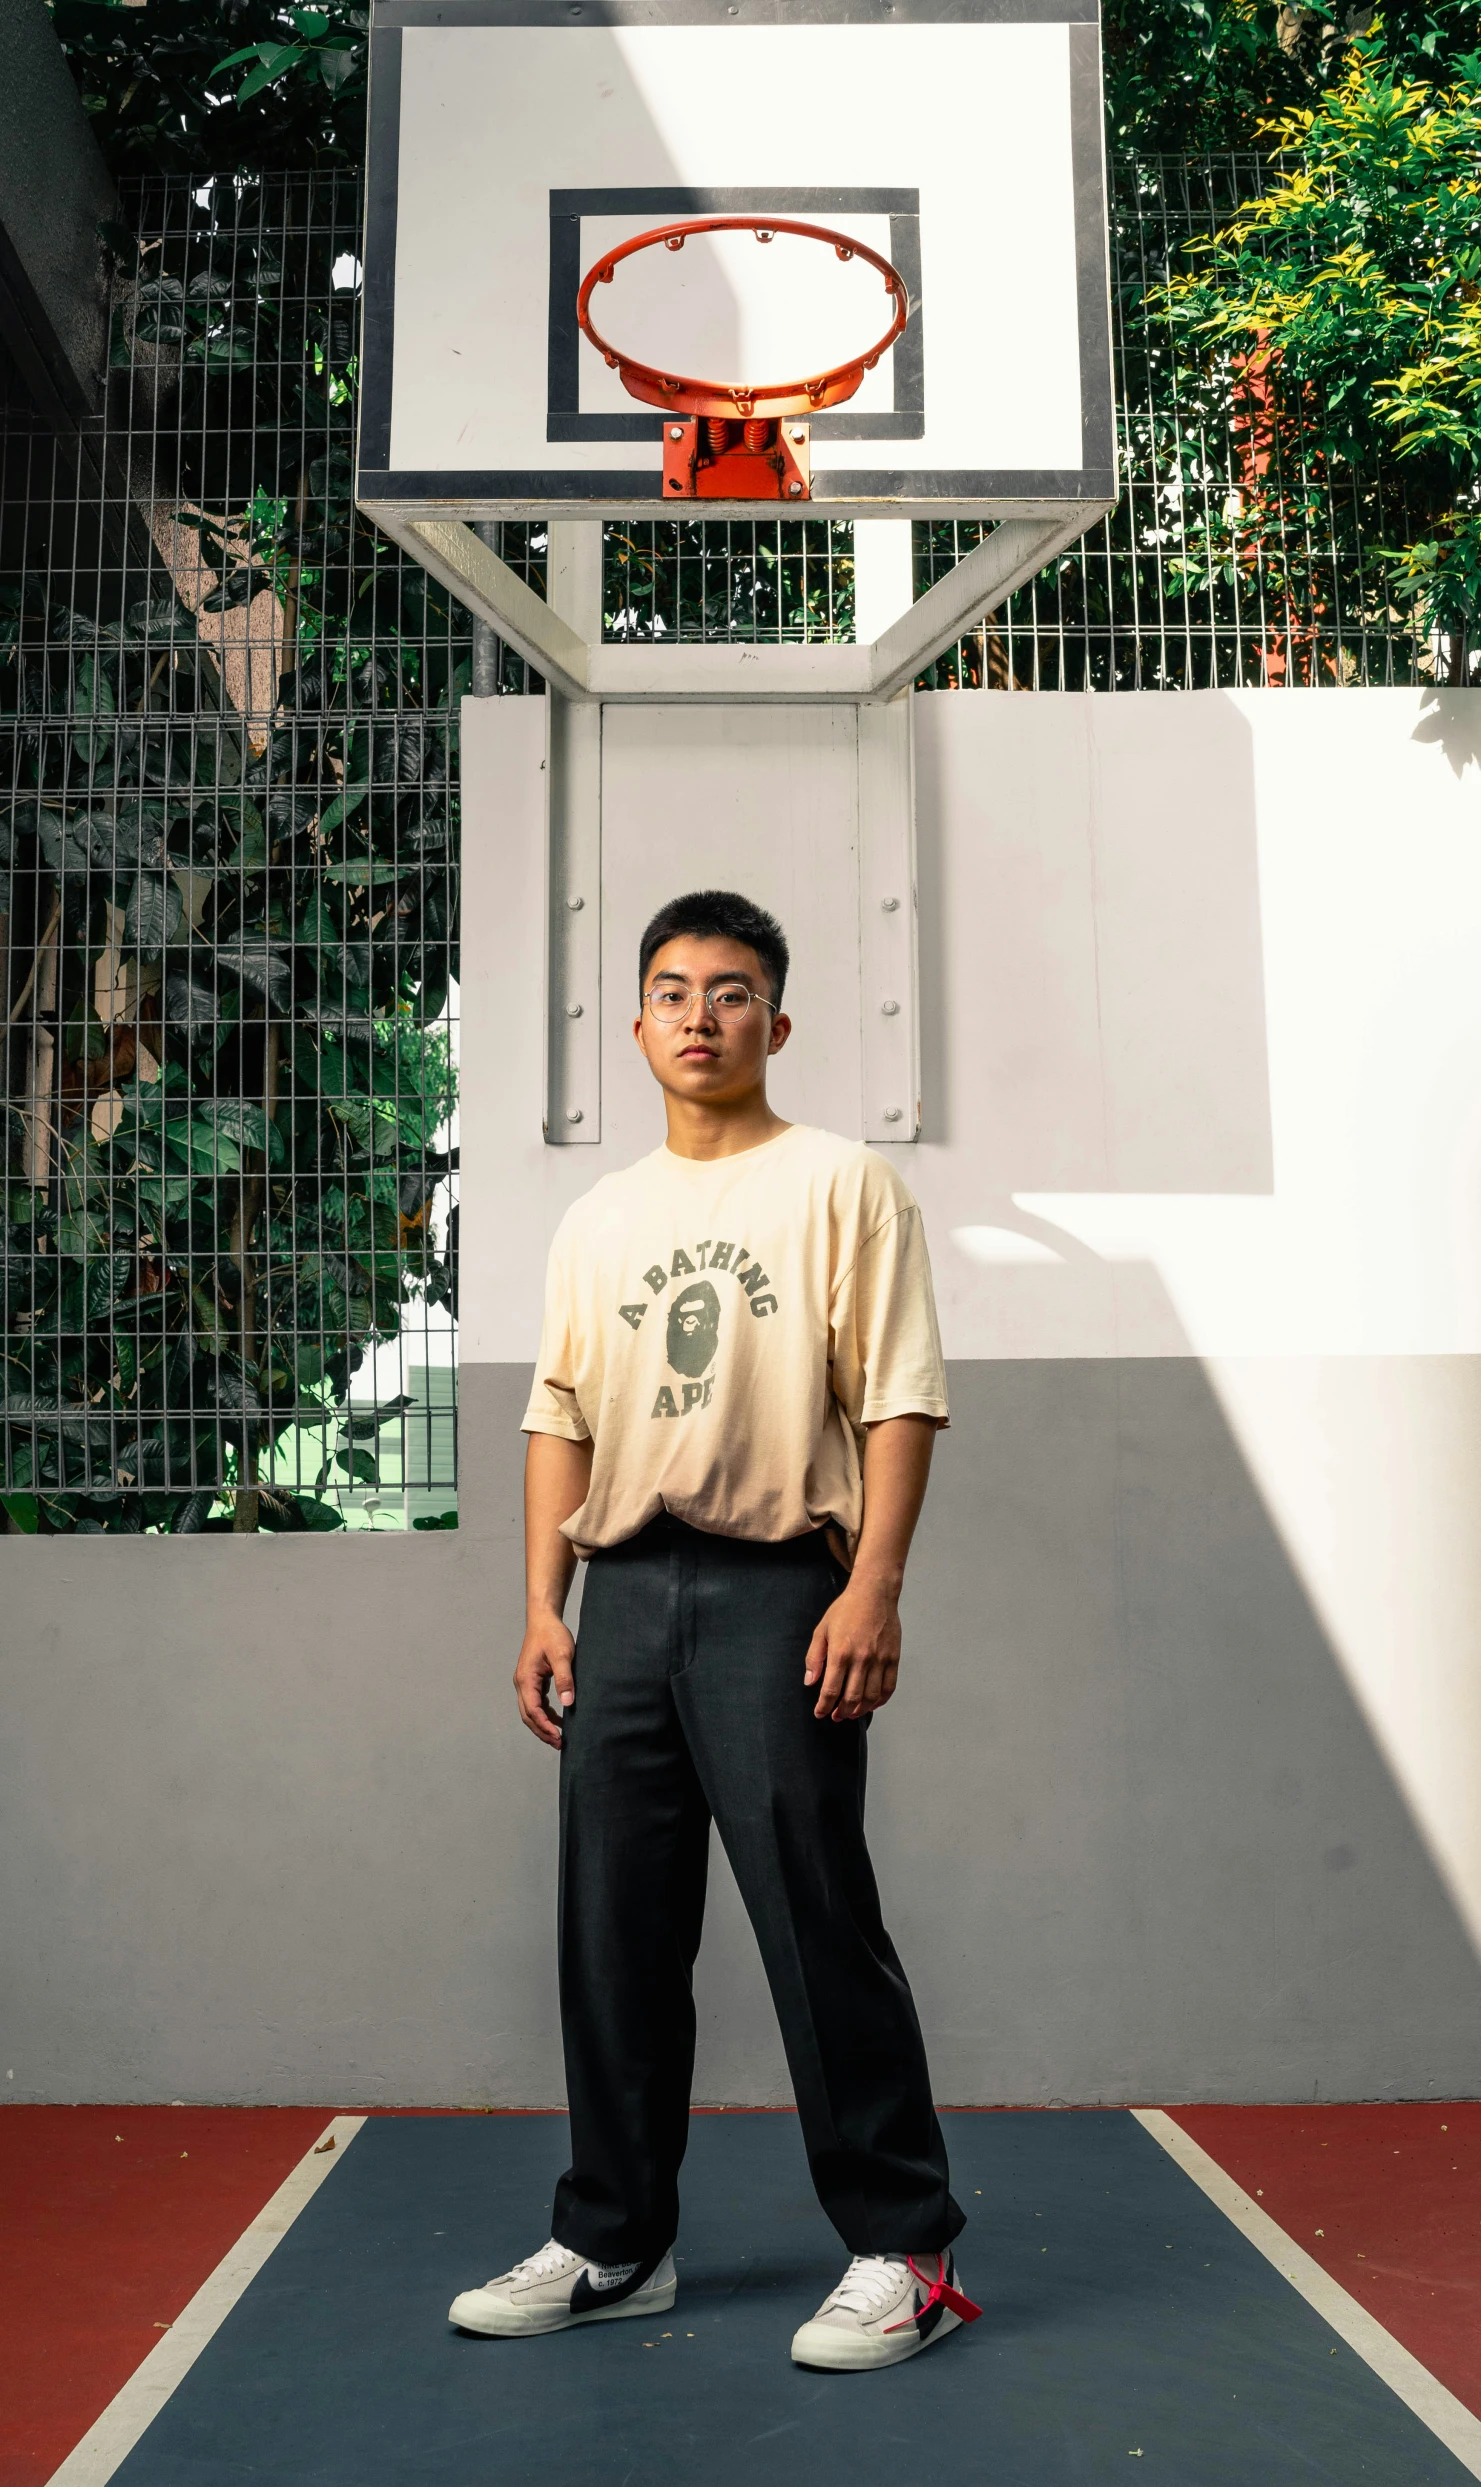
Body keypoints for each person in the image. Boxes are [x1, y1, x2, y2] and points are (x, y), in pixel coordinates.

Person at [449, 889, 976, 2372]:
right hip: (621, 1593)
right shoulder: (600, 1217)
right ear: (635, 1025)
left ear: (777, 1023)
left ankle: (903, 2244)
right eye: (672, 990)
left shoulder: (839, 1184)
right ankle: (618, 2236)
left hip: (774, 1589)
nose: (699, 1013)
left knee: (816, 1914)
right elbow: (558, 1414)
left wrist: (873, 1583)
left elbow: (898, 1395)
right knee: (612, 1929)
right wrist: (541, 1603)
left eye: (732, 991)